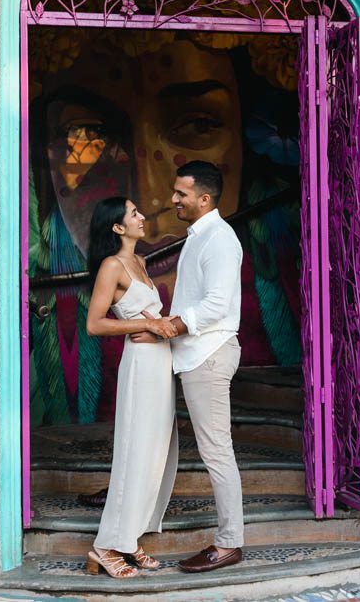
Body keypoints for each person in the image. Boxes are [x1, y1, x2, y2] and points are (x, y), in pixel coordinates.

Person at [132, 160, 245, 573]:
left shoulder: (219, 239)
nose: (173, 199)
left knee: (217, 451)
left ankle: (230, 543)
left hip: (208, 356)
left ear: (204, 198)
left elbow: (216, 304)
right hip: (193, 354)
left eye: (181, 193)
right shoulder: (199, 236)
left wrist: (168, 328)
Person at [83, 196, 180, 578]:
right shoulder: (112, 265)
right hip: (140, 367)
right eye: (134, 214)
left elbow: (151, 318)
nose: (142, 217)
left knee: (156, 452)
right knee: (135, 452)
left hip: (160, 364)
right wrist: (147, 326)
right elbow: (95, 324)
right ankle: (104, 547)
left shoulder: (139, 262)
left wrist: (163, 323)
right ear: (118, 228)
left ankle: (129, 538)